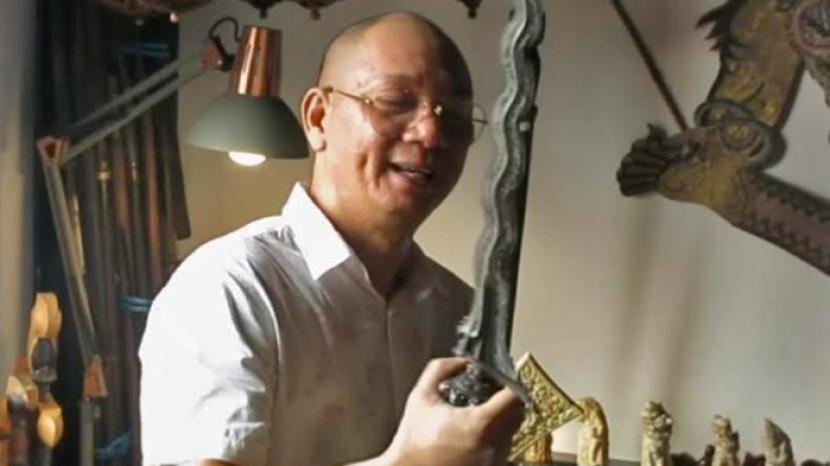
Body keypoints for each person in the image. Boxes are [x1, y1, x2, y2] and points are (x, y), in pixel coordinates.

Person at [139, 10, 522, 466]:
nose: (432, 132)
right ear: (318, 118)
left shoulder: (457, 310)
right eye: (395, 101)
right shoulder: (227, 290)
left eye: (454, 115)